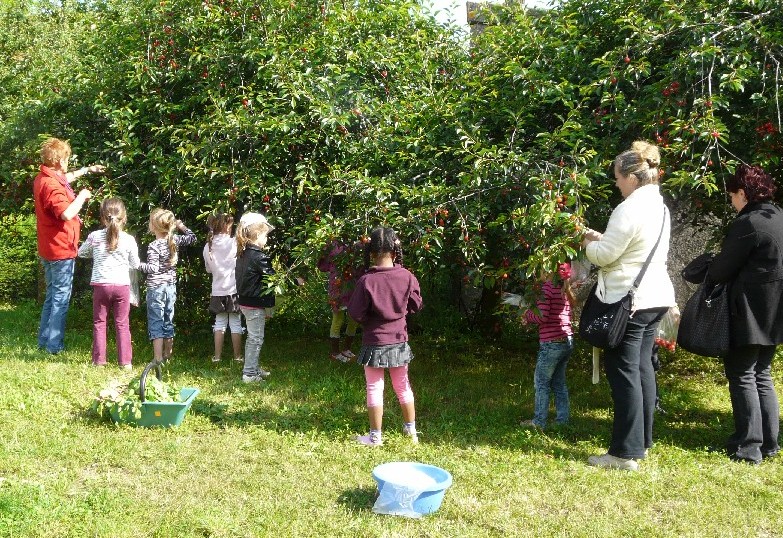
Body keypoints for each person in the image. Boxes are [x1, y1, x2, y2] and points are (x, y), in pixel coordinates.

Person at [582, 141, 675, 471]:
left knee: (623, 372)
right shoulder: (659, 207)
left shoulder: (629, 208)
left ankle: (624, 453)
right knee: (641, 367)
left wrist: (585, 244)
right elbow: (626, 245)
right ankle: (642, 441)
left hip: (630, 300)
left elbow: (606, 255)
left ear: (632, 177)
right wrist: (600, 238)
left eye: (618, 178)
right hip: (656, 297)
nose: (617, 184)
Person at [706, 164, 782, 464]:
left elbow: (723, 269)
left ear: (742, 192)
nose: (732, 202)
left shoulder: (749, 222)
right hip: (775, 312)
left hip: (750, 311)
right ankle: (769, 443)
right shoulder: (777, 215)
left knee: (742, 374)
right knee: (761, 373)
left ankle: (748, 446)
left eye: (733, 196)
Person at [348, 227, 423, 446]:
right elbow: (416, 305)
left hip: (373, 341)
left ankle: (375, 437)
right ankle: (412, 433)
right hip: (399, 339)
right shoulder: (407, 276)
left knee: (374, 387)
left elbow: (354, 313)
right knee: (402, 386)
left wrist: (369, 318)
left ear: (370, 250)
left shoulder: (366, 281)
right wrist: (400, 312)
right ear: (395, 249)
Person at [33, 137, 105, 354]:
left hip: (48, 247)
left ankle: (44, 341)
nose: (68, 162)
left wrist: (88, 170)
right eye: (66, 158)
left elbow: (65, 178)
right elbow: (66, 213)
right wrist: (82, 197)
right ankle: (54, 347)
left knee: (51, 296)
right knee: (60, 299)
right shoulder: (51, 185)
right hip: (59, 249)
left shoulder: (43, 176)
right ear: (59, 160)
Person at [78, 198, 140, 369]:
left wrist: (96, 255)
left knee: (99, 322)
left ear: (103, 218)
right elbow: (135, 264)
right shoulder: (129, 239)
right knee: (122, 323)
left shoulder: (94, 236)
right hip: (121, 286)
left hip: (101, 285)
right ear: (124, 217)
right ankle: (125, 362)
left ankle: (99, 361)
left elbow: (81, 253)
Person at [520, 262, 576, 429]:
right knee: (559, 383)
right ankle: (562, 421)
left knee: (541, 382)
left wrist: (527, 315)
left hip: (551, 343)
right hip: (567, 340)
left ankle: (538, 422)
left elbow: (541, 317)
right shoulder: (563, 289)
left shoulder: (545, 288)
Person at [138, 208, 196, 363]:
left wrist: (137, 264)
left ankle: (157, 358)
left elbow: (153, 269)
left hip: (156, 288)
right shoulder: (175, 240)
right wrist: (181, 226)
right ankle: (167, 356)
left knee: (156, 321)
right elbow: (192, 238)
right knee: (168, 319)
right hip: (170, 287)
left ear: (153, 226)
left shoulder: (154, 246)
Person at [235, 212, 276, 383]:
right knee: (256, 338)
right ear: (258, 235)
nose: (266, 239)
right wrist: (294, 281)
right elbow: (272, 277)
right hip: (254, 304)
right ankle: (250, 374)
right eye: (265, 235)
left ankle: (253, 368)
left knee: (254, 337)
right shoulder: (258, 256)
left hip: (245, 302)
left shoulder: (244, 253)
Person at [203, 212, 243, 364]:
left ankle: (217, 357)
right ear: (227, 227)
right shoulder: (234, 243)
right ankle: (238, 356)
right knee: (235, 323)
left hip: (217, 290)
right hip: (233, 289)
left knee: (219, 323)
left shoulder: (208, 246)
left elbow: (208, 269)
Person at [317, 239, 363, 362]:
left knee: (354, 318)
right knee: (338, 318)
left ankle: (347, 349)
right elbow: (323, 265)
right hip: (338, 287)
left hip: (354, 285)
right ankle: (335, 352)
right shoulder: (332, 244)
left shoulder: (359, 243)